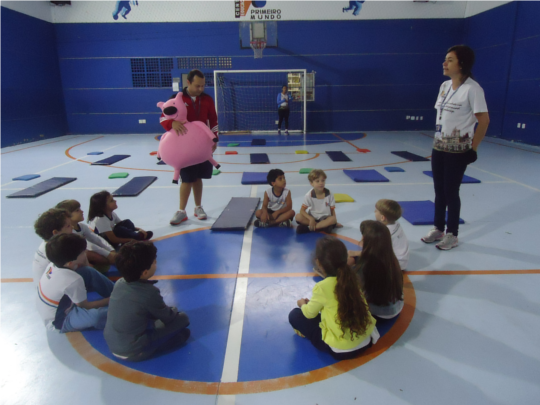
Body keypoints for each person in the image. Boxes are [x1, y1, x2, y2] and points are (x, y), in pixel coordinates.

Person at [422, 45, 490, 250]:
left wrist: (473, 149)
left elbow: (484, 120)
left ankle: (452, 233)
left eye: (450, 60)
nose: (444, 63)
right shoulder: (444, 86)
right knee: (438, 190)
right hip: (439, 147)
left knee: (451, 191)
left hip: (458, 151)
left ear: (462, 64)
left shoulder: (473, 89)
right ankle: (438, 228)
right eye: (445, 59)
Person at [289, 236, 379, 359]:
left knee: (295, 315)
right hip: (365, 341)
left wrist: (302, 304)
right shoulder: (352, 278)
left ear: (319, 263)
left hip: (340, 350)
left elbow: (309, 314)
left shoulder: (322, 287)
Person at [104, 241, 190, 362]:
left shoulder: (119, 283)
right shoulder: (149, 292)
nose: (156, 264)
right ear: (145, 272)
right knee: (183, 320)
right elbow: (169, 317)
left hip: (113, 343)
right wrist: (173, 311)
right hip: (133, 350)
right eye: (154, 262)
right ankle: (152, 348)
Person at [159, 69, 219, 226]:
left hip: (202, 147)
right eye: (197, 86)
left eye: (203, 86)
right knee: (186, 179)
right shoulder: (176, 98)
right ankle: (181, 211)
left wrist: (215, 140)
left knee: (198, 178)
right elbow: (163, 117)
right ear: (188, 82)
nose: (200, 89)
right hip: (184, 150)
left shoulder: (207, 99)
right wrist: (172, 123)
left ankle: (198, 207)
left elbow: (213, 120)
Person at [37, 233, 114, 332]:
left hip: (56, 306)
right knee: (97, 316)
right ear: (70, 262)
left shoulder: (54, 263)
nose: (86, 253)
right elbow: (84, 306)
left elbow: (86, 267)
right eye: (83, 252)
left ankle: (116, 291)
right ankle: (126, 307)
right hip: (60, 320)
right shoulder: (73, 279)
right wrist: (111, 300)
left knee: (87, 271)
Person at [353, 220, 404, 320]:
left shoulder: (365, 267)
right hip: (396, 306)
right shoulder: (391, 258)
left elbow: (356, 292)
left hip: (378, 314)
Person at [56, 199, 116, 272]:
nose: (82, 211)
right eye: (77, 210)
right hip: (75, 261)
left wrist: (111, 250)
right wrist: (109, 255)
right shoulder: (70, 233)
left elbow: (96, 239)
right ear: (67, 217)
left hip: (82, 254)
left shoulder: (81, 226)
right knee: (89, 253)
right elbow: (89, 245)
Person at [87, 191, 152, 249]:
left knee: (127, 222)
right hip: (104, 244)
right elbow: (113, 239)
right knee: (119, 230)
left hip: (111, 236)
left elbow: (123, 225)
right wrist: (130, 240)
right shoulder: (100, 220)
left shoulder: (111, 213)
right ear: (103, 206)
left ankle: (136, 237)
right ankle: (136, 238)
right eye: (112, 201)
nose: (115, 201)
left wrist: (139, 229)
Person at [295, 169, 340, 234]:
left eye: (323, 180)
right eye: (317, 181)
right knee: (298, 216)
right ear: (311, 183)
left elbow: (332, 210)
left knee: (332, 219)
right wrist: (311, 219)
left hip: (325, 218)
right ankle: (321, 227)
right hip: (312, 216)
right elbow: (302, 211)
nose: (321, 183)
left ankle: (309, 228)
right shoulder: (309, 195)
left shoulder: (329, 194)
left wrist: (335, 222)